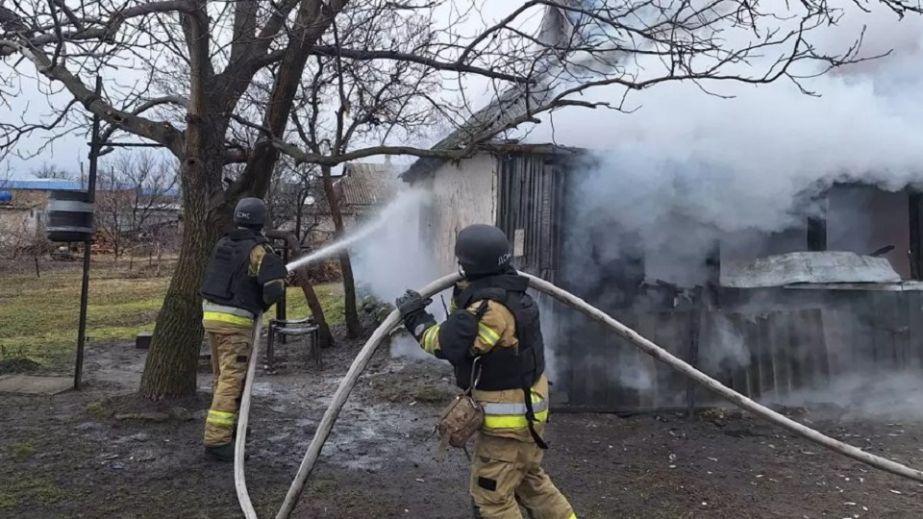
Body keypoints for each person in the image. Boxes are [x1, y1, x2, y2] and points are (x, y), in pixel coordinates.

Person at [396, 224, 576, 519]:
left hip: (507, 428)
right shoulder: (515, 294)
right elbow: (470, 322)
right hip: (530, 416)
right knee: (531, 484)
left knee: (491, 499)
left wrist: (415, 317)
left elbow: (443, 344)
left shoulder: (488, 310)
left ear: (468, 265)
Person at [199, 197, 287, 461]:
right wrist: (264, 301)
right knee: (231, 381)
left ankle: (230, 426)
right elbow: (273, 289)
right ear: (262, 221)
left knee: (222, 377)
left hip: (212, 318)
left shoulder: (224, 242)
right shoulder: (259, 250)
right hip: (236, 323)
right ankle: (217, 441)